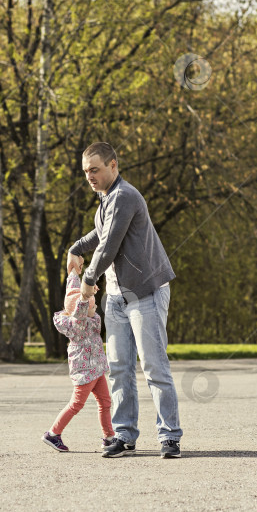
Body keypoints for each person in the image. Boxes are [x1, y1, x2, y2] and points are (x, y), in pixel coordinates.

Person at [67, 141, 182, 458]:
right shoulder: (104, 201)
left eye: (95, 169)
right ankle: (124, 435)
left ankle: (169, 437)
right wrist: (76, 247)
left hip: (146, 291)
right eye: (86, 171)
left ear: (113, 166)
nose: (90, 176)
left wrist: (88, 280)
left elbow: (109, 246)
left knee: (154, 367)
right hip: (117, 296)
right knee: (118, 368)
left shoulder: (125, 196)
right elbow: (98, 236)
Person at [41, 257, 114, 452]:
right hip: (84, 371)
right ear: (82, 309)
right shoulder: (78, 323)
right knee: (76, 404)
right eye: (92, 305)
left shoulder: (84, 316)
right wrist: (85, 296)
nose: (95, 306)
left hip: (96, 368)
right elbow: (79, 304)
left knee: (105, 402)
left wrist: (74, 272)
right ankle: (53, 434)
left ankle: (109, 437)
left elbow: (71, 292)